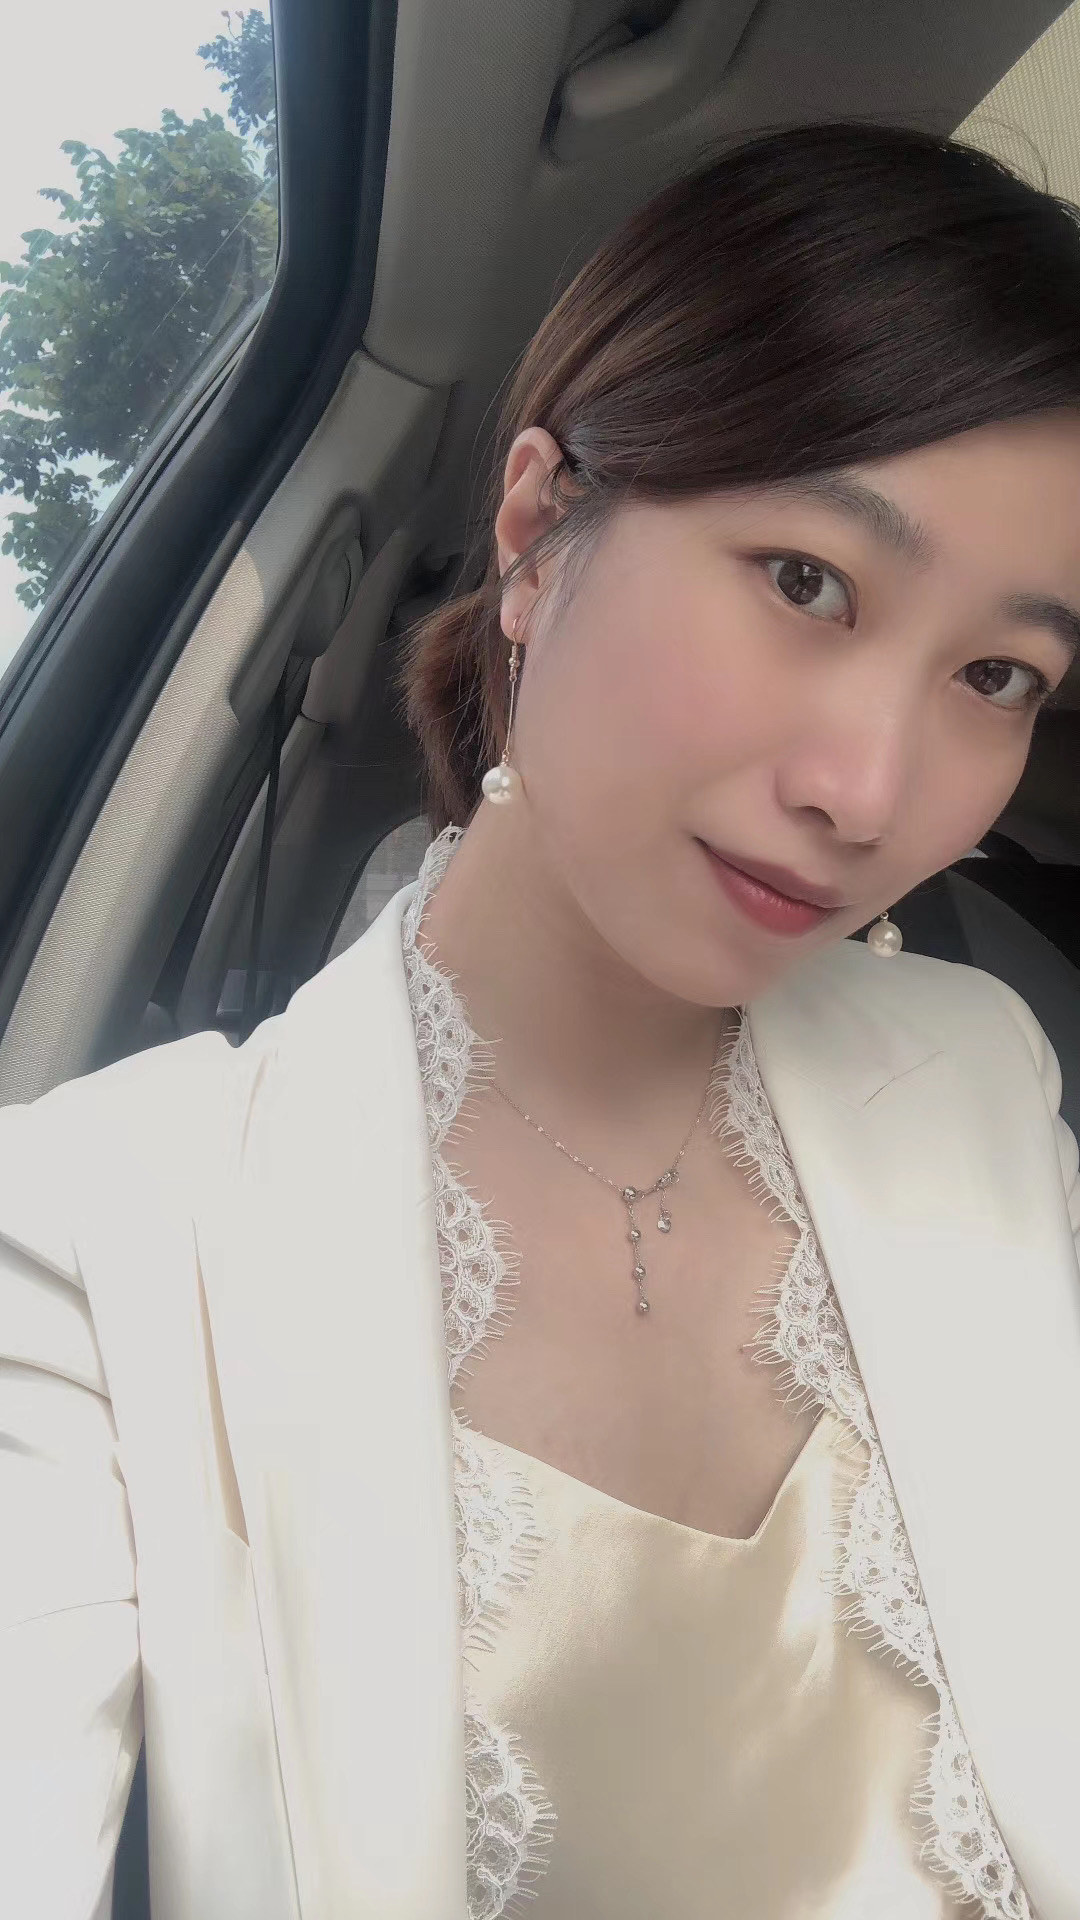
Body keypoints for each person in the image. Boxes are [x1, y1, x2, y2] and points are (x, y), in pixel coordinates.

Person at [2, 117, 1080, 1920]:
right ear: (535, 527)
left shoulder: (979, 1076)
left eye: (998, 674)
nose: (870, 788)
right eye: (807, 580)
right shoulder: (95, 1239)